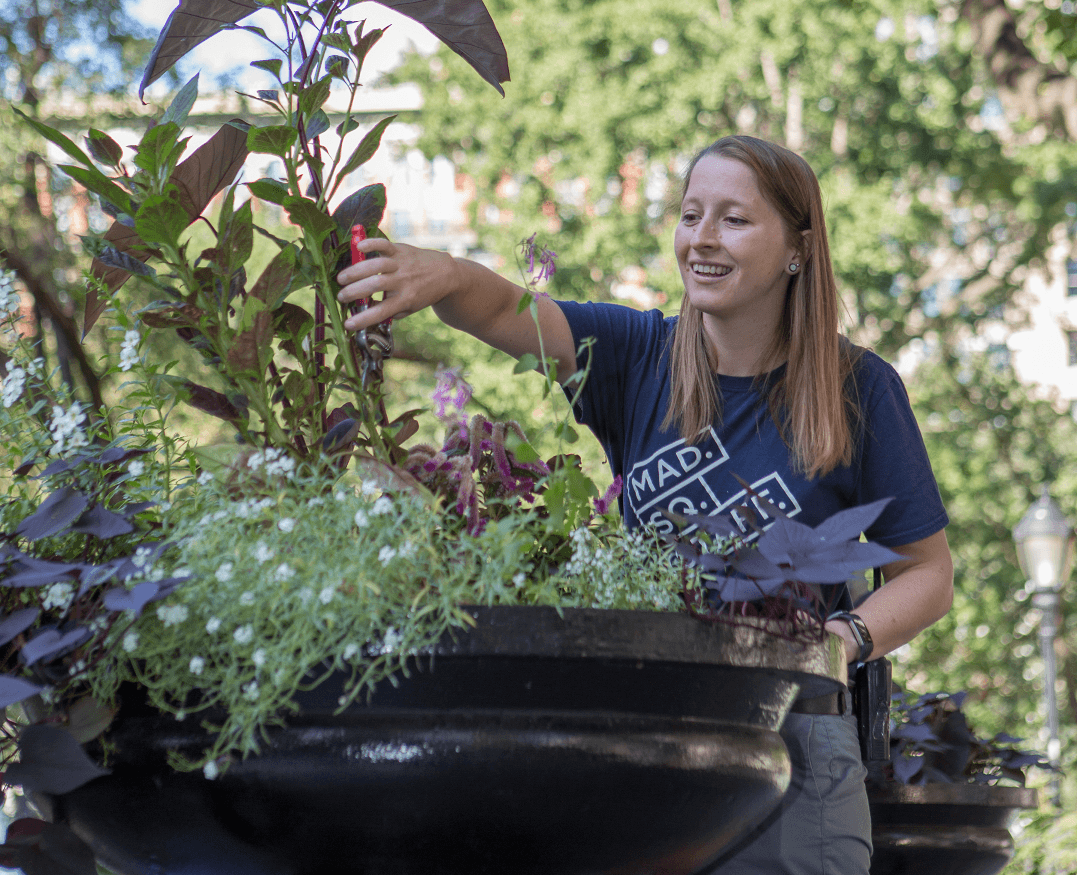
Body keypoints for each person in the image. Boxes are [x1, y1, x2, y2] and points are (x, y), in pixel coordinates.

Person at [336, 134, 954, 875]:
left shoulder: (859, 388)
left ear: (797, 246)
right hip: (658, 742)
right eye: (691, 214)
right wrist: (443, 274)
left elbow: (928, 575)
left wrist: (838, 639)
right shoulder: (636, 355)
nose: (701, 237)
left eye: (732, 219)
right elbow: (507, 308)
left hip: (797, 745)